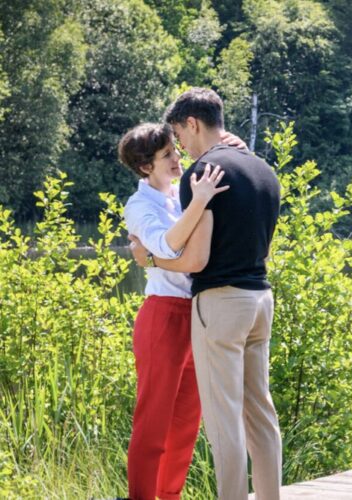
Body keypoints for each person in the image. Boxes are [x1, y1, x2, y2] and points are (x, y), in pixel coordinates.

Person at [131, 88, 282, 499]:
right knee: (261, 417)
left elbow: (196, 260)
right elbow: (265, 248)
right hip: (260, 301)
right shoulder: (264, 170)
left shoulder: (205, 173)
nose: (179, 145)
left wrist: (153, 261)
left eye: (179, 134)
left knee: (224, 422)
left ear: (192, 124)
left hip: (221, 305)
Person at [118, 122, 232, 500]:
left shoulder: (179, 196)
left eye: (175, 150)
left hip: (198, 314)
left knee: (186, 424)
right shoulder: (139, 206)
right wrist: (200, 201)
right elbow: (165, 249)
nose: (177, 157)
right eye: (167, 154)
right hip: (163, 317)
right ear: (144, 166)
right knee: (153, 422)